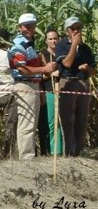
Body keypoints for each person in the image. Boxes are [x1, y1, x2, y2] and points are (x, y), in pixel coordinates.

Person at [7, 13, 57, 160]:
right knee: (27, 122)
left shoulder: (29, 43)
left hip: (32, 84)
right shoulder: (19, 44)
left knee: (31, 121)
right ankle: (26, 156)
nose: (30, 28)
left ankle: (28, 154)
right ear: (19, 27)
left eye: (32, 25)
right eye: (26, 25)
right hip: (24, 84)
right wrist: (44, 70)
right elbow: (21, 68)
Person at [55, 16, 96, 157]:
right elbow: (66, 63)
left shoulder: (86, 49)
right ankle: (68, 152)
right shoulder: (61, 45)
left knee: (82, 119)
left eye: (78, 28)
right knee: (67, 119)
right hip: (67, 82)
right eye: (73, 28)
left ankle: (78, 152)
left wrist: (87, 68)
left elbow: (93, 70)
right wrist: (74, 45)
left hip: (83, 83)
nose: (76, 31)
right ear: (67, 31)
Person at [39, 28, 63, 156]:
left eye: (55, 38)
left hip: (63, 91)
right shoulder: (42, 55)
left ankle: (62, 150)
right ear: (46, 41)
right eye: (50, 39)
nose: (53, 41)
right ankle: (53, 151)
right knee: (52, 122)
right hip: (49, 91)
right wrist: (50, 75)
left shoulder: (62, 55)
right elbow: (39, 77)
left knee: (62, 122)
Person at [0, 28, 18, 158]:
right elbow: (19, 69)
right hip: (8, 94)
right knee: (9, 124)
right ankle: (7, 154)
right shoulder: (8, 54)